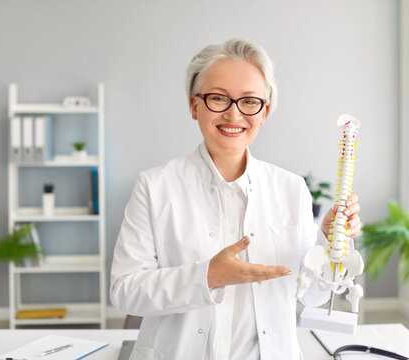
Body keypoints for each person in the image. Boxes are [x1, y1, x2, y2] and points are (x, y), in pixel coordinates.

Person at [110, 39, 361, 360]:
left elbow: (311, 294)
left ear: (265, 111)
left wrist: (329, 242)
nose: (234, 113)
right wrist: (207, 276)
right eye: (218, 98)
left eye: (250, 101)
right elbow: (124, 292)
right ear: (194, 105)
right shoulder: (155, 186)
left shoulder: (291, 188)